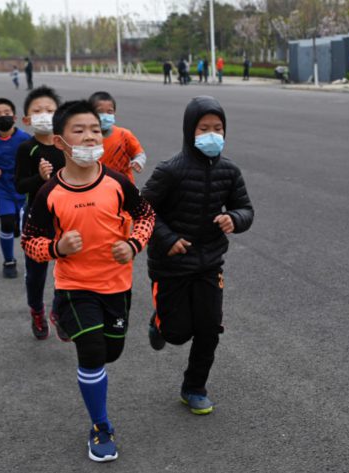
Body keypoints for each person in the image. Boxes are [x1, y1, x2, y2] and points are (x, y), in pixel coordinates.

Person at [21, 100, 155, 462]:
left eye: (95, 130)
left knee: (112, 351)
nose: (90, 136)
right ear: (61, 143)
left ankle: (64, 320)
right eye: (79, 131)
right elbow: (30, 243)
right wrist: (57, 247)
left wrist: (133, 244)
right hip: (75, 285)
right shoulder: (50, 193)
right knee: (93, 353)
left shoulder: (117, 182)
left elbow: (146, 216)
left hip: (116, 284)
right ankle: (100, 426)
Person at [142, 96, 254, 415]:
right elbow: (142, 210)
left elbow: (245, 208)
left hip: (210, 263)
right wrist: (167, 239)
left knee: (209, 327)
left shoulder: (229, 171)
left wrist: (235, 218)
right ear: (189, 131)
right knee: (176, 333)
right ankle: (159, 322)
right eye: (203, 128)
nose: (211, 134)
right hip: (171, 265)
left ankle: (194, 387)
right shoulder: (170, 171)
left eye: (218, 128)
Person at [14, 86, 65, 341]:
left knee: (67, 267)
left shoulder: (66, 145)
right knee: (36, 273)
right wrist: (40, 178)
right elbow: (20, 185)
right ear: (27, 119)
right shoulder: (27, 148)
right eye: (38, 111)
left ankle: (59, 310)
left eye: (50, 110)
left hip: (66, 217)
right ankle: (37, 310)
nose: (44, 114)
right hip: (36, 218)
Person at [0, 98, 32, 278]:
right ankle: (9, 261)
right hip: (2, 189)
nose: (3, 117)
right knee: (6, 223)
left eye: (7, 113)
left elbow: (36, 157)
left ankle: (32, 260)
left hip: (24, 188)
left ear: (15, 117)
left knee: (25, 226)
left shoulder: (25, 139)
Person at [88, 91, 147, 184]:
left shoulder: (124, 135)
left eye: (109, 112)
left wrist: (138, 162)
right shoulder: (86, 138)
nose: (105, 116)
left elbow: (139, 153)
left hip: (123, 186)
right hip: (96, 186)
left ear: (114, 112)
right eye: (100, 112)